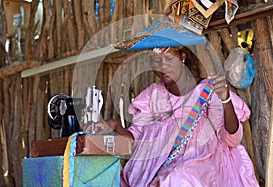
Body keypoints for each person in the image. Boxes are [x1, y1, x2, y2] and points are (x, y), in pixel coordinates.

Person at [89, 46, 259, 187]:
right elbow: (135, 138)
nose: (163, 66)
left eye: (169, 59)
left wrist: (225, 99)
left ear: (183, 56)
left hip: (201, 165)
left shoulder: (207, 91)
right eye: (157, 61)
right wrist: (115, 125)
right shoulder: (152, 95)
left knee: (177, 179)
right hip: (154, 169)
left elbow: (231, 139)